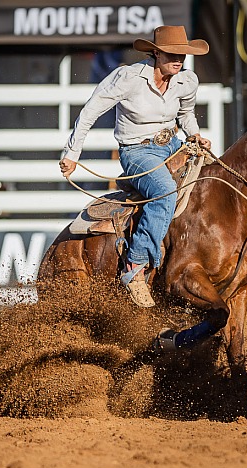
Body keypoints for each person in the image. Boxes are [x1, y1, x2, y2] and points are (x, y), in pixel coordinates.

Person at [59, 26, 211, 308]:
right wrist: (72, 153)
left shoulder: (186, 80)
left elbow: (185, 112)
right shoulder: (128, 77)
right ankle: (135, 265)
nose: (178, 60)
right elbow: (91, 110)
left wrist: (195, 135)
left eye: (182, 55)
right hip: (137, 152)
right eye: (172, 54)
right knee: (164, 192)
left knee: (212, 180)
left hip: (173, 144)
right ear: (155, 53)